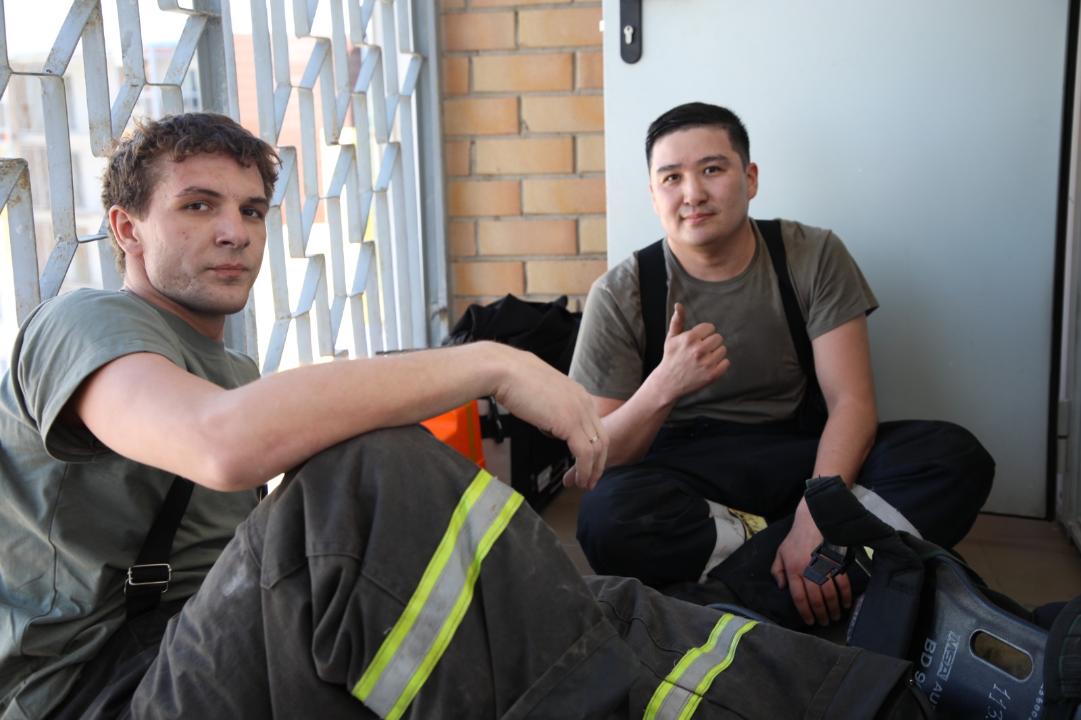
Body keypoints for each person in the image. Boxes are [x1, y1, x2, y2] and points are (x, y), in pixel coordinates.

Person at [0, 113, 931, 719]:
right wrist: (493, 362)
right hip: (108, 691)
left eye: (251, 209)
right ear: (126, 228)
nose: (234, 230)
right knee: (378, 477)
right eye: (198, 206)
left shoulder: (228, 364)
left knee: (561, 597)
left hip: (224, 651)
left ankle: (879, 694)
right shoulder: (82, 322)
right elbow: (222, 444)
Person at [569, 102, 995, 629]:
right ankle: (824, 576)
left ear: (750, 178)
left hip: (799, 456)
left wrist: (816, 518)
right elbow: (600, 455)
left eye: (712, 169)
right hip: (689, 475)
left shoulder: (812, 254)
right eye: (672, 178)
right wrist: (663, 386)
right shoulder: (621, 292)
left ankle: (725, 597)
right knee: (608, 517)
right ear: (654, 196)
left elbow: (851, 402)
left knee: (952, 459)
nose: (693, 193)